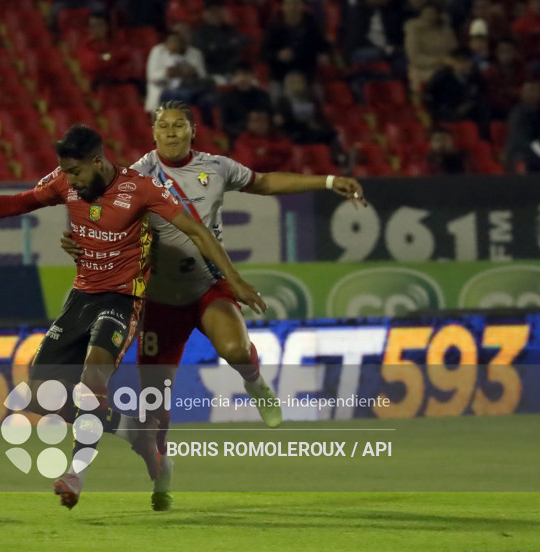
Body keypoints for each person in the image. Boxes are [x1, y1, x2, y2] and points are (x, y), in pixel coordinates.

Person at [0, 124, 267, 510]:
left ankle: (75, 475)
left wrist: (234, 280)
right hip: (82, 296)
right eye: (65, 172)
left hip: (122, 300)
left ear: (98, 162)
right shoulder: (65, 183)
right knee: (38, 394)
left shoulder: (141, 190)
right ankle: (134, 431)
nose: (69, 181)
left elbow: (198, 232)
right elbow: (19, 202)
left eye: (76, 172)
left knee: (91, 379)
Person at [61, 100, 365, 511]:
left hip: (207, 286)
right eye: (163, 126)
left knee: (235, 349)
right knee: (154, 411)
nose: (170, 132)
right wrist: (78, 242)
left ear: (192, 132)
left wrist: (328, 181)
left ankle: (255, 383)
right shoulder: (136, 176)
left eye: (179, 126)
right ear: (152, 133)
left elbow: (266, 182)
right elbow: (100, 217)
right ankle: (162, 472)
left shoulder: (216, 168)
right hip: (158, 300)